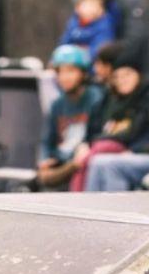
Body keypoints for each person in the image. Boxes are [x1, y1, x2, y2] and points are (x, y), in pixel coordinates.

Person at [73, 53, 149, 192]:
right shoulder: (110, 98)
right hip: (108, 146)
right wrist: (86, 143)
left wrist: (96, 141)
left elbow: (133, 132)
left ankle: (83, 199)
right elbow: (94, 127)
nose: (122, 80)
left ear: (139, 74)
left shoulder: (148, 97)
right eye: (117, 76)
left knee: (100, 152)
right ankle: (81, 200)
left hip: (133, 147)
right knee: (89, 156)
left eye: (127, 74)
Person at [83, 86, 149, 193]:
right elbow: (146, 134)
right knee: (98, 161)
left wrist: (136, 150)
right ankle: (88, 205)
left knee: (111, 165)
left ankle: (116, 207)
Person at [36, 45, 105, 191]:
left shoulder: (96, 98)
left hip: (82, 163)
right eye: (60, 72)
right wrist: (44, 159)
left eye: (70, 71)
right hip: (61, 162)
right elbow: (46, 140)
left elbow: (98, 135)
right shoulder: (57, 104)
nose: (64, 77)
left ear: (84, 73)